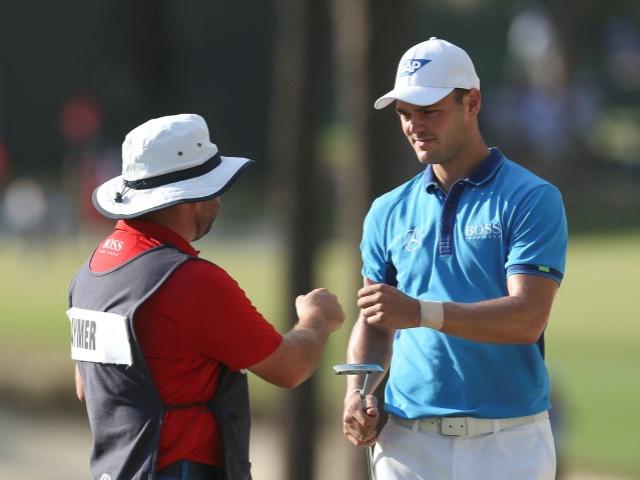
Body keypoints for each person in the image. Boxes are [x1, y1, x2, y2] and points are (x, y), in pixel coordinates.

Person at [67, 113, 344, 480]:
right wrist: (317, 319)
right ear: (193, 197)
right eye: (215, 187)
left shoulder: (89, 274)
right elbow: (290, 367)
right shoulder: (192, 282)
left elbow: (86, 388)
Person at [341, 37, 567, 480]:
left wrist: (420, 312)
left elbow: (528, 318)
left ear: (472, 102)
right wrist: (357, 390)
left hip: (509, 443)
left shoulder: (530, 197)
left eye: (429, 111)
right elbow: (374, 319)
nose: (414, 127)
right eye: (405, 115)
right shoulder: (387, 210)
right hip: (407, 442)